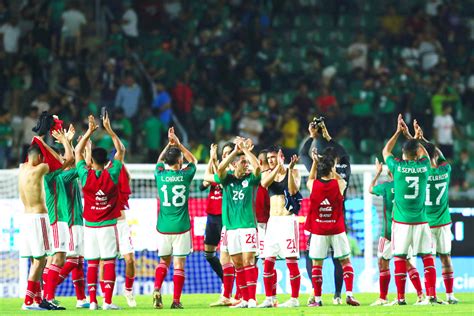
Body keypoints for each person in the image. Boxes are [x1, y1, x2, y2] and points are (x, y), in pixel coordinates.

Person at [382, 114, 440, 305]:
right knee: (427, 258)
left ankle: (400, 298)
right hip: (422, 221)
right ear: (416, 155)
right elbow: (425, 154)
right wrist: (414, 138)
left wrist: (399, 131)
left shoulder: (397, 166)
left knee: (399, 257)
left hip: (401, 222)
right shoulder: (425, 167)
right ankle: (431, 296)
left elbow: (385, 151)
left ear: (404, 155)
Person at [74, 113, 126, 310]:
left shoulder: (85, 176)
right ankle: (108, 302)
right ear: (107, 161)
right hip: (107, 226)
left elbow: (78, 152)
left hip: (90, 227)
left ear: (92, 161)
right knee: (109, 261)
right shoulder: (112, 173)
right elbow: (121, 150)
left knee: (93, 263)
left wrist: (89, 131)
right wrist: (110, 130)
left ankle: (93, 301)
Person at [299, 119, 350, 305]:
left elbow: (304, 153)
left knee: (317, 258)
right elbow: (305, 154)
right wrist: (321, 137)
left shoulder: (318, 175)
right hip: (337, 220)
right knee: (338, 258)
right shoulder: (343, 169)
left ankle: (320, 294)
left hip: (320, 222)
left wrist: (316, 137)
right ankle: (336, 295)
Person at [305, 150, 360, 307]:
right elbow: (340, 179)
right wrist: (332, 169)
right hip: (337, 229)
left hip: (319, 230)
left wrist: (315, 162)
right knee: (345, 261)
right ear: (331, 170)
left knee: (317, 264)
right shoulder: (339, 184)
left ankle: (317, 299)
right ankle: (349, 295)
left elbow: (310, 178)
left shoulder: (312, 185)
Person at [368, 158, 424, 306]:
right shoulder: (406, 186)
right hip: (404, 229)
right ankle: (420, 295)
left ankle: (383, 297)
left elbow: (370, 189)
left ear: (389, 173)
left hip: (387, 232)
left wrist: (377, 174)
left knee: (383, 263)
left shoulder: (386, 186)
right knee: (407, 263)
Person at [152, 127, 197, 309]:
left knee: (164, 262)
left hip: (163, 226)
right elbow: (193, 160)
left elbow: (159, 161)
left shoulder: (160, 174)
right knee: (179, 265)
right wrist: (178, 144)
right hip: (181, 227)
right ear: (179, 161)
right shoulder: (185, 175)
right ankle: (176, 301)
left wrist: (168, 145)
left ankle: (156, 289)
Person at [414, 122, 458, 304]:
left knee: (428, 260)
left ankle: (431, 294)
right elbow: (437, 153)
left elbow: (422, 155)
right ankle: (450, 295)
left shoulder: (421, 173)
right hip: (444, 222)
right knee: (446, 258)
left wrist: (415, 140)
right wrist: (423, 140)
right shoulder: (445, 170)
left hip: (427, 223)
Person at [215, 138, 261, 308]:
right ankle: (243, 299)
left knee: (249, 260)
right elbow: (219, 169)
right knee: (237, 263)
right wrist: (235, 151)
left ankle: (252, 299)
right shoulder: (227, 180)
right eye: (243, 162)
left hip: (248, 226)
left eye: (246, 162)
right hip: (232, 229)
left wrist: (246, 151)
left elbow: (257, 167)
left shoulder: (251, 179)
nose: (246, 164)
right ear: (234, 165)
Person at [18, 143, 64, 310]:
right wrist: (42, 142)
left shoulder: (22, 168)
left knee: (33, 259)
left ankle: (37, 300)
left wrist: (37, 139)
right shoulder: (41, 169)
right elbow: (59, 161)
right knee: (41, 259)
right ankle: (28, 302)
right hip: (38, 217)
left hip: (25, 217)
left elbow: (31, 154)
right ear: (39, 157)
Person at [258, 147, 301, 308]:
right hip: (273, 222)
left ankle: (294, 299)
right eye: (269, 158)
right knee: (268, 261)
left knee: (291, 261)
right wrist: (277, 167)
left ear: (281, 156)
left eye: (273, 157)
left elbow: (293, 190)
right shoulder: (267, 173)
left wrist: (288, 170)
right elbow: (264, 184)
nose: (270, 160)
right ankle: (270, 298)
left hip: (287, 221)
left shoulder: (294, 172)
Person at [38, 129, 74, 309]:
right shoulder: (50, 174)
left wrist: (66, 141)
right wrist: (64, 141)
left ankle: (46, 297)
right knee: (59, 258)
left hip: (61, 221)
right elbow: (70, 159)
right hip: (57, 220)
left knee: (55, 258)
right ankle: (47, 298)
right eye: (58, 157)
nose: (61, 160)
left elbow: (73, 164)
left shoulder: (59, 176)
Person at [55, 127, 89, 309]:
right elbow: (81, 164)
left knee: (79, 262)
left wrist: (68, 141)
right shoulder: (63, 176)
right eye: (63, 157)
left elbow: (81, 164)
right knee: (74, 260)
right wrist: (74, 146)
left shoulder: (69, 174)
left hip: (78, 221)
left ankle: (81, 299)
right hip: (71, 222)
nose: (65, 159)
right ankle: (49, 287)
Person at [208, 142, 241, 307]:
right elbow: (210, 178)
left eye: (231, 153)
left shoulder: (239, 175)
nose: (227, 156)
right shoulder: (226, 175)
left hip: (241, 224)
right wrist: (212, 160)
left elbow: (213, 176)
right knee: (224, 259)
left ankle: (242, 295)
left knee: (242, 261)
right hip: (228, 224)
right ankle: (227, 295)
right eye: (225, 154)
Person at [115, 163, 137, 307]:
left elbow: (128, 177)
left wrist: (121, 162)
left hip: (121, 224)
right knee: (105, 262)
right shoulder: (99, 177)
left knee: (130, 260)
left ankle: (128, 291)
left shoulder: (118, 176)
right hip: (105, 225)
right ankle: (106, 296)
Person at [201, 144, 223, 281]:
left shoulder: (230, 176)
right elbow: (203, 184)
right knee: (209, 254)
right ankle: (225, 281)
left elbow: (221, 181)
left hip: (224, 218)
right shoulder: (213, 176)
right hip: (211, 217)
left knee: (230, 254)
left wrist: (215, 164)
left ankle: (233, 286)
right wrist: (211, 159)